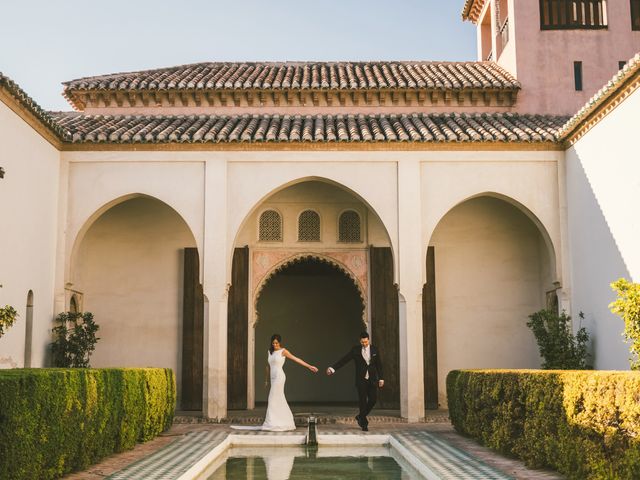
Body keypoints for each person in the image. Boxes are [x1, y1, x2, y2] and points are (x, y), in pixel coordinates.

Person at [233, 333, 318, 431]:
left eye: (277, 343)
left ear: (280, 343)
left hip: (279, 376)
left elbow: (296, 359)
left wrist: (309, 366)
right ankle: (282, 421)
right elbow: (267, 367)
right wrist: (266, 380)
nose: (275, 345)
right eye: (273, 343)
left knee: (272, 398)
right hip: (272, 378)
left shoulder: (283, 351)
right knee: (278, 398)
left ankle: (273, 423)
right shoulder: (270, 352)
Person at [326, 331, 383, 431]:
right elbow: (344, 360)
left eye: (365, 342)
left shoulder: (375, 349)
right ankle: (364, 424)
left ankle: (361, 416)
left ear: (368, 340)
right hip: (361, 380)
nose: (364, 344)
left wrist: (381, 378)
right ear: (360, 341)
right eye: (362, 342)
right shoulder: (355, 350)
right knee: (362, 401)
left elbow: (379, 365)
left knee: (373, 400)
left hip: (372, 379)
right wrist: (332, 369)